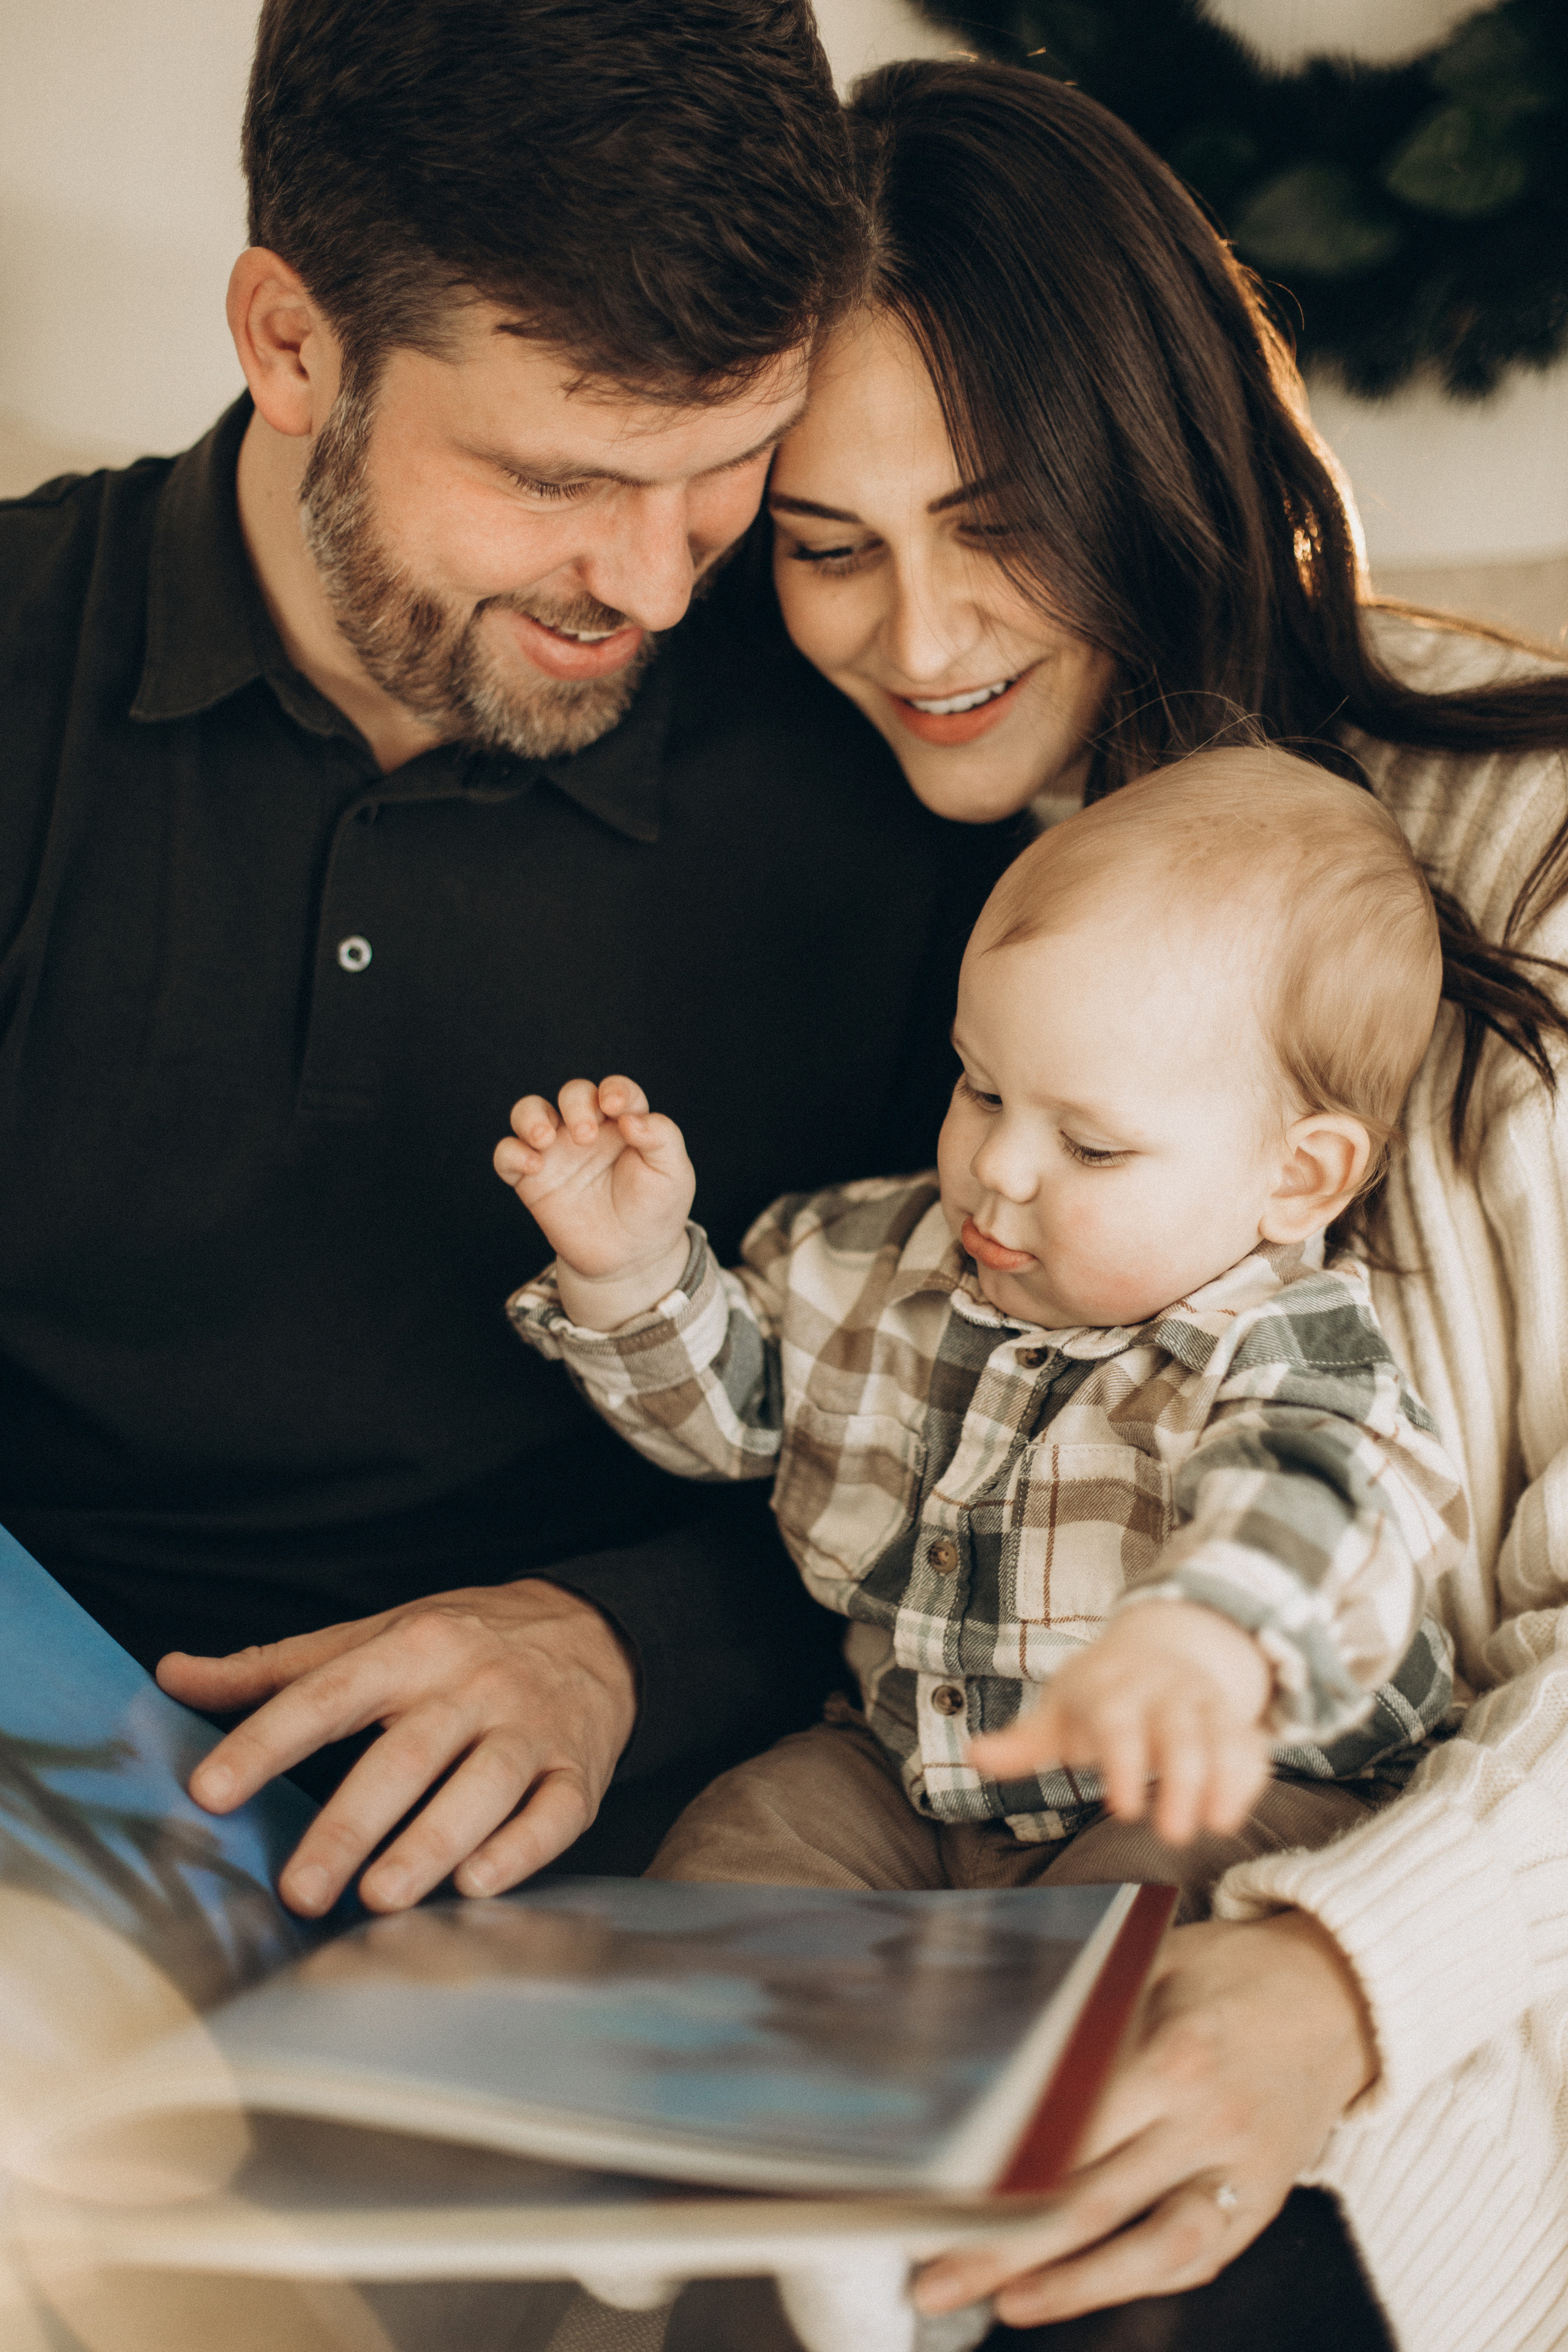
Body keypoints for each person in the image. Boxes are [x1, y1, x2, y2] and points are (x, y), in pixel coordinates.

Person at [680, 51, 1568, 2352]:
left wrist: (1347, 1986)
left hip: (1438, 2003)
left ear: (1157, 454)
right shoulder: (845, 880)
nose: (922, 637)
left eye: (1000, 520)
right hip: (952, 1870)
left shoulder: (1526, 850)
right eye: (826, 545)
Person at [0, 0, 1017, 1938]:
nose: (654, 583)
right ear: (291, 343)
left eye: (725, 465)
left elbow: (1017, 1414)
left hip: (639, 1848)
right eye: (559, 481)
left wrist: (633, 1645)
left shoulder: (888, 770)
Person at [499, 750, 1463, 1901]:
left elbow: (1321, 1495)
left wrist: (1213, 1631)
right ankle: (718, 2064)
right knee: (739, 1844)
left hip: (1214, 1782)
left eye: (1091, 1147)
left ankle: (1040, 2067)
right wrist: (632, 1267)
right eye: (982, 1088)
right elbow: (735, 1422)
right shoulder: (874, 1258)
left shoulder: (1279, 1344)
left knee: (1146, 1925)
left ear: (1298, 1177)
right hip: (906, 1769)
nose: (997, 1167)